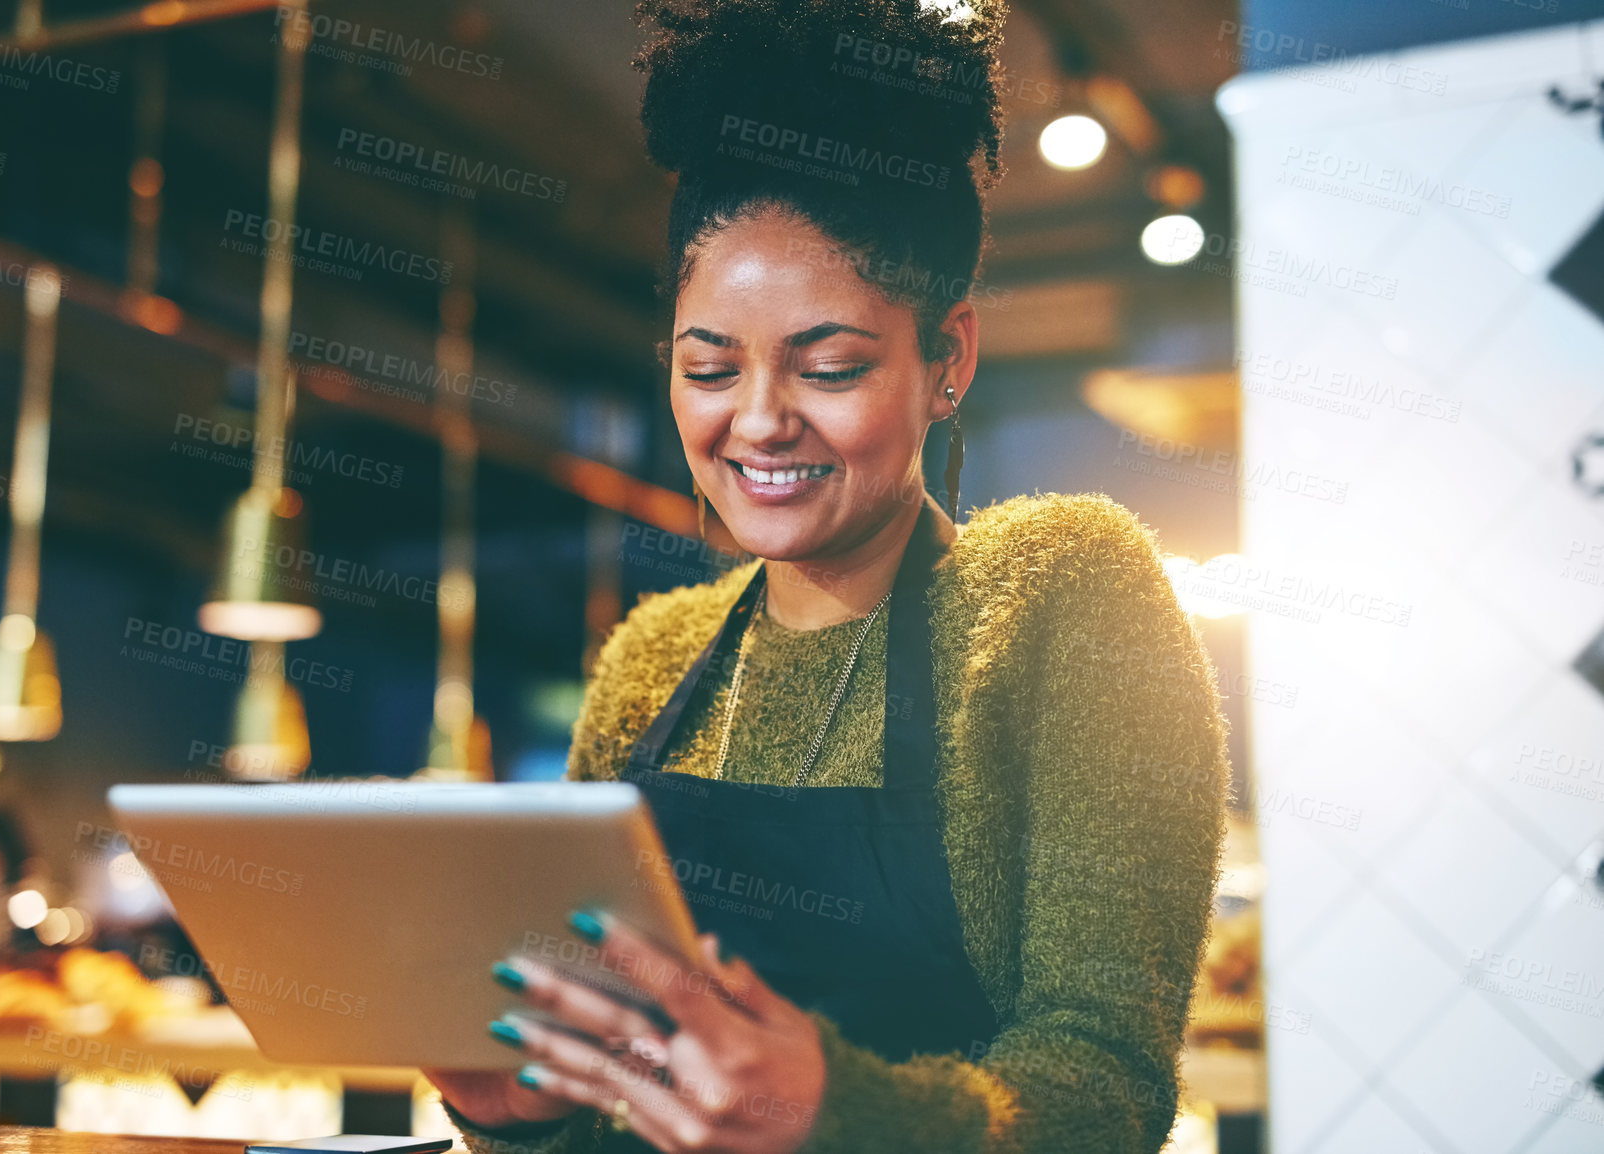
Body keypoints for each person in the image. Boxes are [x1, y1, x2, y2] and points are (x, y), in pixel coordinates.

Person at [427, 1, 1230, 1150]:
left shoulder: (1060, 595)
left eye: (832, 365)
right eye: (709, 366)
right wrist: (516, 1116)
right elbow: (615, 1080)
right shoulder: (649, 662)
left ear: (945, 356)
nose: (758, 422)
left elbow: (1105, 1085)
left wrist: (833, 1110)